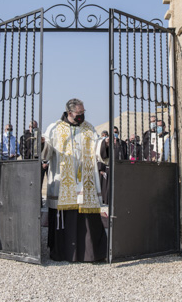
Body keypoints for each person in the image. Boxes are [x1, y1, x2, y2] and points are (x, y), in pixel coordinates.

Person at [42, 98, 107, 262]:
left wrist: (104, 144)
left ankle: (90, 254)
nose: (82, 115)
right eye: (79, 113)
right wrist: (42, 143)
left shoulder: (88, 127)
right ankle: (63, 253)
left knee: (87, 220)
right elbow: (46, 153)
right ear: (69, 113)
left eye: (83, 112)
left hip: (86, 180)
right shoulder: (55, 128)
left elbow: (97, 146)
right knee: (65, 217)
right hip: (62, 180)